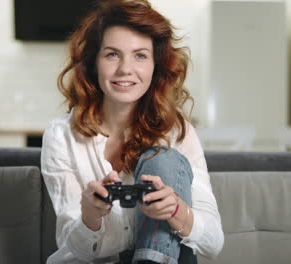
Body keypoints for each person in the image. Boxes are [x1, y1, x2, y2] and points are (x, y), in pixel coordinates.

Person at [40, 0, 224, 263]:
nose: (125, 69)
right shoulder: (61, 135)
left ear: (155, 65)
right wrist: (90, 216)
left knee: (164, 158)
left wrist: (176, 211)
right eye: (112, 54)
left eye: (140, 55)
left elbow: (213, 243)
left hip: (163, 257)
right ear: (93, 63)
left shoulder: (177, 132)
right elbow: (76, 248)